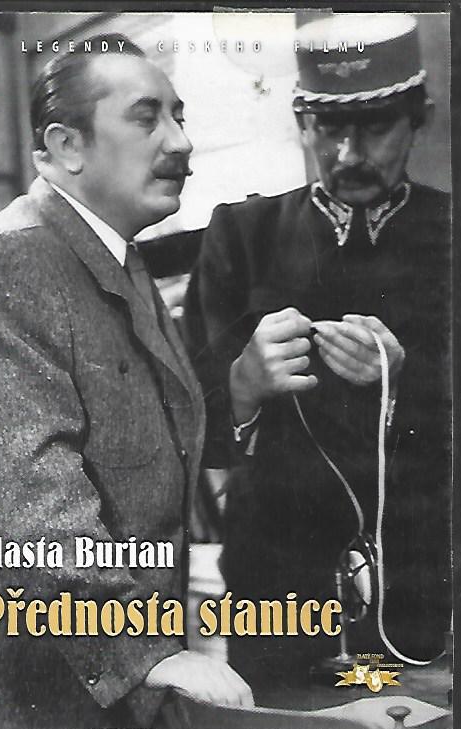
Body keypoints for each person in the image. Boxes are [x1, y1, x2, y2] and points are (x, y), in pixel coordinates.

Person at [0, 35, 253, 729]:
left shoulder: (118, 261)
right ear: (66, 146)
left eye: (179, 115)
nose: (180, 142)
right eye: (146, 118)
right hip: (33, 702)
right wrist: (147, 655)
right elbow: (32, 505)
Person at [184, 13, 451, 696]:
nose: (346, 153)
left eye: (374, 128)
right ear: (302, 122)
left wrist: (405, 382)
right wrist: (242, 385)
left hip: (421, 591)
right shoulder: (240, 235)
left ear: (418, 119)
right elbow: (184, 428)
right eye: (328, 129)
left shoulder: (447, 233)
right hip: (276, 596)